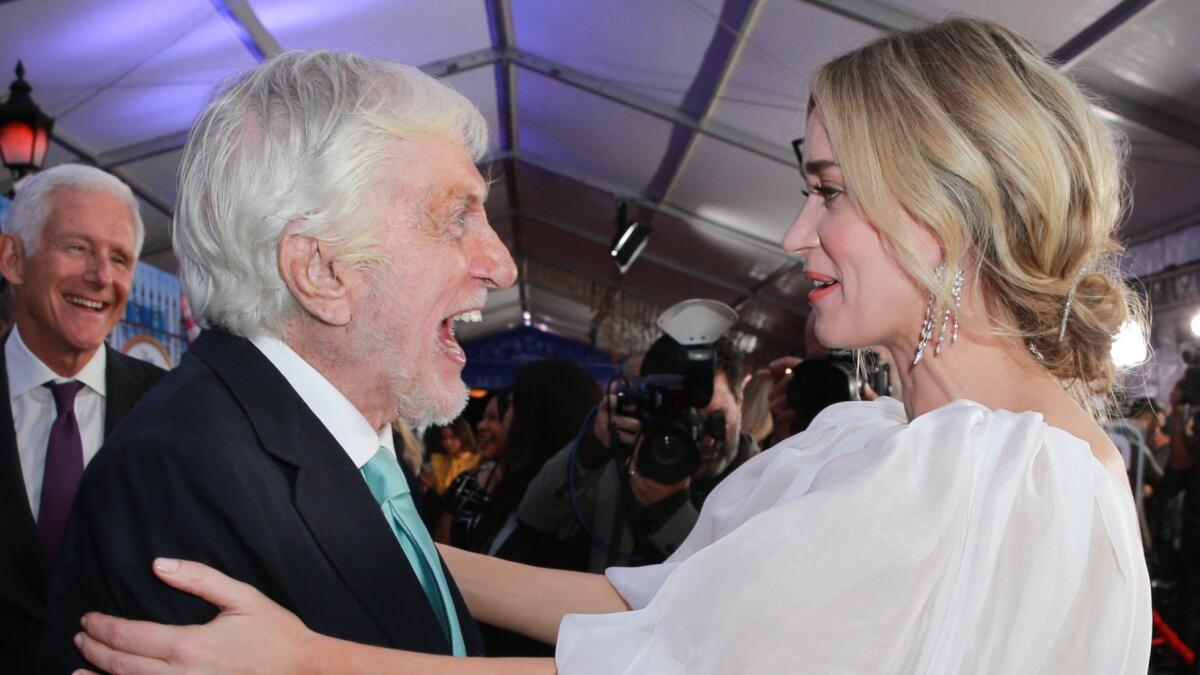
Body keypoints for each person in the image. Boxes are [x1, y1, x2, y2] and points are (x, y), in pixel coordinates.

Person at [75, 18, 1151, 674]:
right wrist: (386, 532)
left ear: (941, 215)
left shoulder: (998, 478)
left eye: (828, 191)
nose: (793, 233)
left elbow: (661, 669)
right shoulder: (880, 444)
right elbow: (660, 609)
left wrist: (310, 664)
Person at [40, 49, 518, 671]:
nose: (501, 264)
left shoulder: (348, 445)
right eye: (457, 218)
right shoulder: (183, 475)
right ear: (320, 271)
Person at [0, 164, 166, 673]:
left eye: (119, 258)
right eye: (76, 247)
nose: (101, 276)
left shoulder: (172, 409)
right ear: (13, 258)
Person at [517, 334, 755, 572]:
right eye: (682, 417)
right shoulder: (623, 466)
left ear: (740, 400)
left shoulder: (767, 482)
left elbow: (735, 581)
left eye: (713, 416)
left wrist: (670, 510)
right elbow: (534, 516)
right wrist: (592, 447)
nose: (699, 434)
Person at [435, 390, 509, 546]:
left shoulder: (535, 494)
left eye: (493, 418)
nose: (481, 425)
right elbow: (442, 545)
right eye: (483, 418)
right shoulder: (464, 483)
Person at [429, 416, 479, 495]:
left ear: (463, 436)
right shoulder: (436, 460)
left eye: (453, 437)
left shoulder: (476, 460)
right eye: (444, 438)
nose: (447, 443)